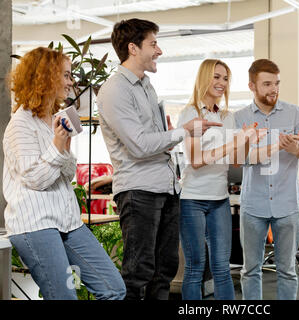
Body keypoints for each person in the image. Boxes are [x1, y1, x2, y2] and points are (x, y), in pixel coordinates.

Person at [96, 19, 222, 300]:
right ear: (132, 48)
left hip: (165, 188)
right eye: (153, 44)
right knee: (138, 272)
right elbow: (139, 145)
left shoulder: (146, 86)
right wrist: (183, 131)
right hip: (139, 190)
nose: (159, 50)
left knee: (164, 270)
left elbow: (155, 138)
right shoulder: (115, 89)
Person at [3, 47, 126, 300]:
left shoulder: (56, 119)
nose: (72, 82)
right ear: (46, 77)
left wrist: (65, 146)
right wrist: (58, 145)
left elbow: (67, 173)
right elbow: (36, 180)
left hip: (67, 221)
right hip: (35, 225)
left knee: (113, 288)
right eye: (66, 75)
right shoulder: (20, 124)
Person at [176, 59, 265, 300]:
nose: (221, 83)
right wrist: (234, 142)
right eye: (216, 77)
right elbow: (195, 160)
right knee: (195, 268)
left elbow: (236, 159)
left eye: (225, 78)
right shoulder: (189, 114)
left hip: (219, 199)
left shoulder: (228, 117)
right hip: (192, 199)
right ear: (204, 77)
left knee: (222, 267)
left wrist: (248, 138)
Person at [234, 59, 299, 300]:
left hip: (287, 204)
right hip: (253, 205)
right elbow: (238, 159)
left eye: (277, 83)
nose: (274, 89)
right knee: (250, 270)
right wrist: (273, 147)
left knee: (287, 270)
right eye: (267, 84)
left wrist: (297, 151)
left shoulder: (295, 113)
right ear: (252, 86)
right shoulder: (240, 118)